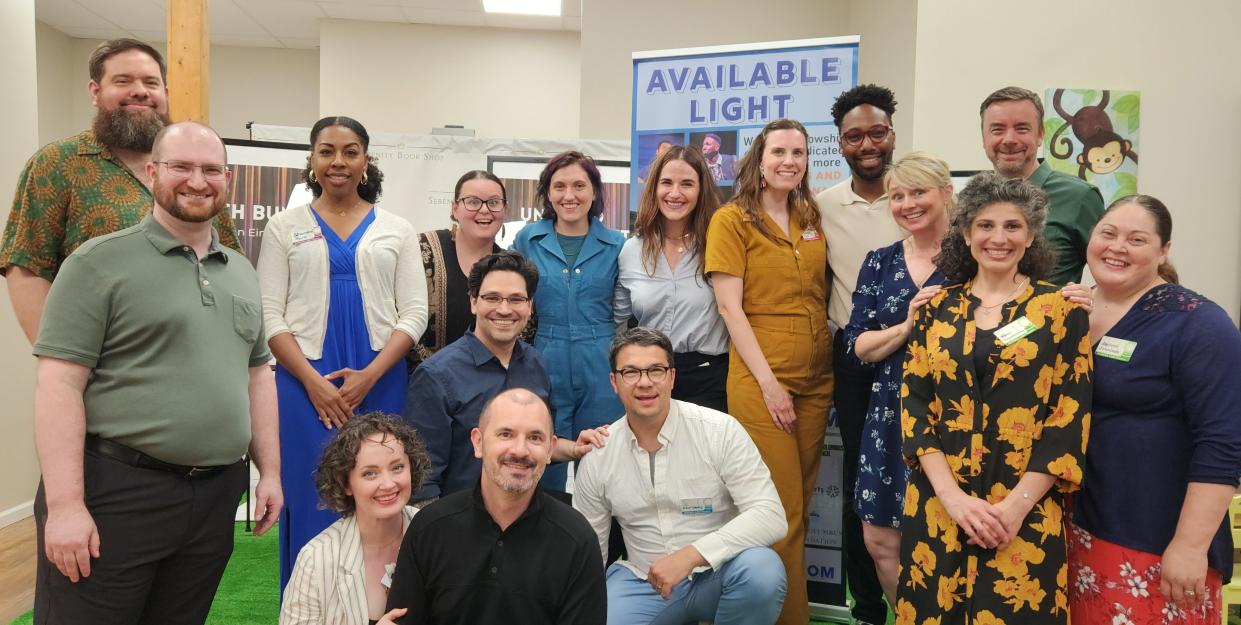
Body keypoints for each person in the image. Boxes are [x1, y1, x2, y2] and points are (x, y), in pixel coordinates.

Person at [31, 121, 281, 625]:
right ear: (152, 174)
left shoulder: (241, 270)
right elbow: (59, 384)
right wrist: (65, 506)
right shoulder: (98, 263)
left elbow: (257, 378)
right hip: (117, 490)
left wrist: (270, 471)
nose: (197, 180)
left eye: (211, 169)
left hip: (213, 496)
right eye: (181, 167)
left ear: (226, 178)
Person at [895, 173, 1092, 625]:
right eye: (985, 225)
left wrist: (1014, 508)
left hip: (1023, 512)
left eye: (1012, 226)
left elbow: (1069, 417)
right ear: (965, 234)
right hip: (939, 509)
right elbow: (916, 409)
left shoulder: (1062, 312)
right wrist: (955, 501)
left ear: (1031, 236)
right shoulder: (935, 309)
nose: (998, 238)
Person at [257, 116, 427, 589]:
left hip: (381, 377)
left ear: (365, 161)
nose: (339, 161)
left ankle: (383, 605)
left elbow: (414, 313)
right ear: (311, 161)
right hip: (303, 382)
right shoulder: (282, 227)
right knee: (313, 495)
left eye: (351, 151)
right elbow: (271, 317)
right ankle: (310, 607)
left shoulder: (397, 228)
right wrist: (313, 383)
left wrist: (370, 376)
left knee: (382, 492)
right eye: (327, 151)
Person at [1061, 196, 1241, 623]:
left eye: (1136, 239)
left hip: (1156, 539)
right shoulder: (1071, 309)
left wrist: (1190, 546)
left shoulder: (1198, 322)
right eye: (1108, 233)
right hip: (1077, 529)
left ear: (1164, 251)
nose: (1117, 247)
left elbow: (1224, 441)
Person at [0, 38, 240, 345]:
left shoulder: (195, 170)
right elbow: (27, 267)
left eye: (150, 82)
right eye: (123, 80)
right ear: (95, 91)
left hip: (197, 358)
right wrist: (60, 360)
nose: (139, 90)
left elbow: (229, 260)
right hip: (104, 365)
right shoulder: (57, 163)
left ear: (164, 94)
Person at [705, 118, 832, 625]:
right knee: (776, 511)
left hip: (817, 378)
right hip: (764, 381)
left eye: (798, 152)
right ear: (758, 159)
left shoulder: (810, 215)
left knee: (800, 505)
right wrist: (769, 385)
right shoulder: (732, 220)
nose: (789, 161)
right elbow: (730, 310)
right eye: (778, 151)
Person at [574, 327, 788, 625]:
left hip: (719, 574)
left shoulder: (719, 430)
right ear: (614, 382)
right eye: (631, 372)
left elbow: (770, 515)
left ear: (672, 377)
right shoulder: (599, 454)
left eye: (656, 370)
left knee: (762, 570)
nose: (645, 382)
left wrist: (690, 556)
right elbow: (589, 550)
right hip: (642, 582)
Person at [382, 388, 607, 625]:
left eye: (535, 437)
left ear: (550, 449)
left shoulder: (577, 540)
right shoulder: (429, 528)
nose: (520, 450)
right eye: (506, 434)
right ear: (478, 442)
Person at [405, 251, 607, 502]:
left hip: (526, 515)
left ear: (529, 306)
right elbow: (423, 478)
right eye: (492, 298)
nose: (504, 309)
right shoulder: (436, 376)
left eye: (516, 299)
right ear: (474, 302)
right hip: (462, 523)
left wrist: (574, 448)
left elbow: (536, 446)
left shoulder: (536, 365)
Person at [844, 152, 951, 605]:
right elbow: (857, 346)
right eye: (898, 195)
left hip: (956, 415)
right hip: (890, 412)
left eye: (919, 192)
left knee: (949, 540)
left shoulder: (978, 255)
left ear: (946, 193)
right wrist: (906, 328)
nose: (908, 203)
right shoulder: (880, 262)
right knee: (881, 541)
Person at [817, 83, 906, 625]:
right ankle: (869, 608)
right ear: (841, 144)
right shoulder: (824, 206)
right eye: (854, 136)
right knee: (860, 485)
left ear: (892, 134)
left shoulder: (917, 194)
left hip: (923, 360)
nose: (867, 143)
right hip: (856, 361)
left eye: (876, 132)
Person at [512, 150, 626, 489]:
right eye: (559, 186)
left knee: (605, 459)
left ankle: (606, 542)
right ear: (548, 193)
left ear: (595, 192)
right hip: (543, 357)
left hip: (601, 357)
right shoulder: (527, 240)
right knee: (543, 453)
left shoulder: (618, 245)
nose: (569, 195)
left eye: (579, 185)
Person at [281, 413, 431, 625]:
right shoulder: (316, 559)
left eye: (397, 467)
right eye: (370, 473)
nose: (388, 484)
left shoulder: (437, 535)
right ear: (346, 484)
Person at [615, 145, 729, 412]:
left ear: (701, 190)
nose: (675, 193)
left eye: (687, 184)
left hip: (709, 379)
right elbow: (616, 322)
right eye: (666, 183)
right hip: (650, 379)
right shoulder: (632, 251)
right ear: (654, 188)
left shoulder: (718, 244)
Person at [980, 86, 1104, 285]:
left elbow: (1113, 269)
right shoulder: (974, 200)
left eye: (1022, 128)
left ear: (1040, 135)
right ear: (984, 139)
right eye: (997, 129)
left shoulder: (1080, 197)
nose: (1009, 139)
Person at [409, 170, 504, 368]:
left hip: (490, 383)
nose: (485, 210)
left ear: (505, 209)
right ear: (454, 208)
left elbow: (524, 330)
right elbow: (398, 317)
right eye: (473, 201)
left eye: (494, 202)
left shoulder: (509, 265)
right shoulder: (420, 249)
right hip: (423, 380)